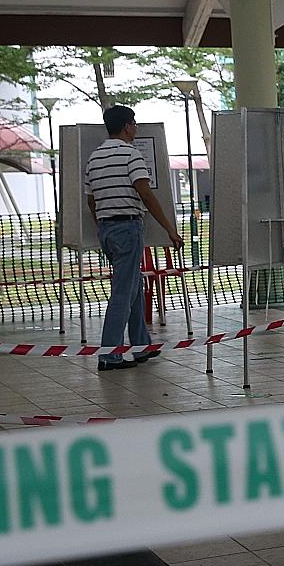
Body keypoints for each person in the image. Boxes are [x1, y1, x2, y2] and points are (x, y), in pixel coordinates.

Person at [84, 105, 182, 372]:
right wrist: (169, 229)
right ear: (127, 126)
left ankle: (141, 345)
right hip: (127, 228)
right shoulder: (131, 154)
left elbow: (91, 201)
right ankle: (110, 355)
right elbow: (146, 194)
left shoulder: (94, 159)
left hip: (107, 229)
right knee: (122, 293)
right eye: (134, 123)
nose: (136, 128)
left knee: (133, 286)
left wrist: (102, 226)